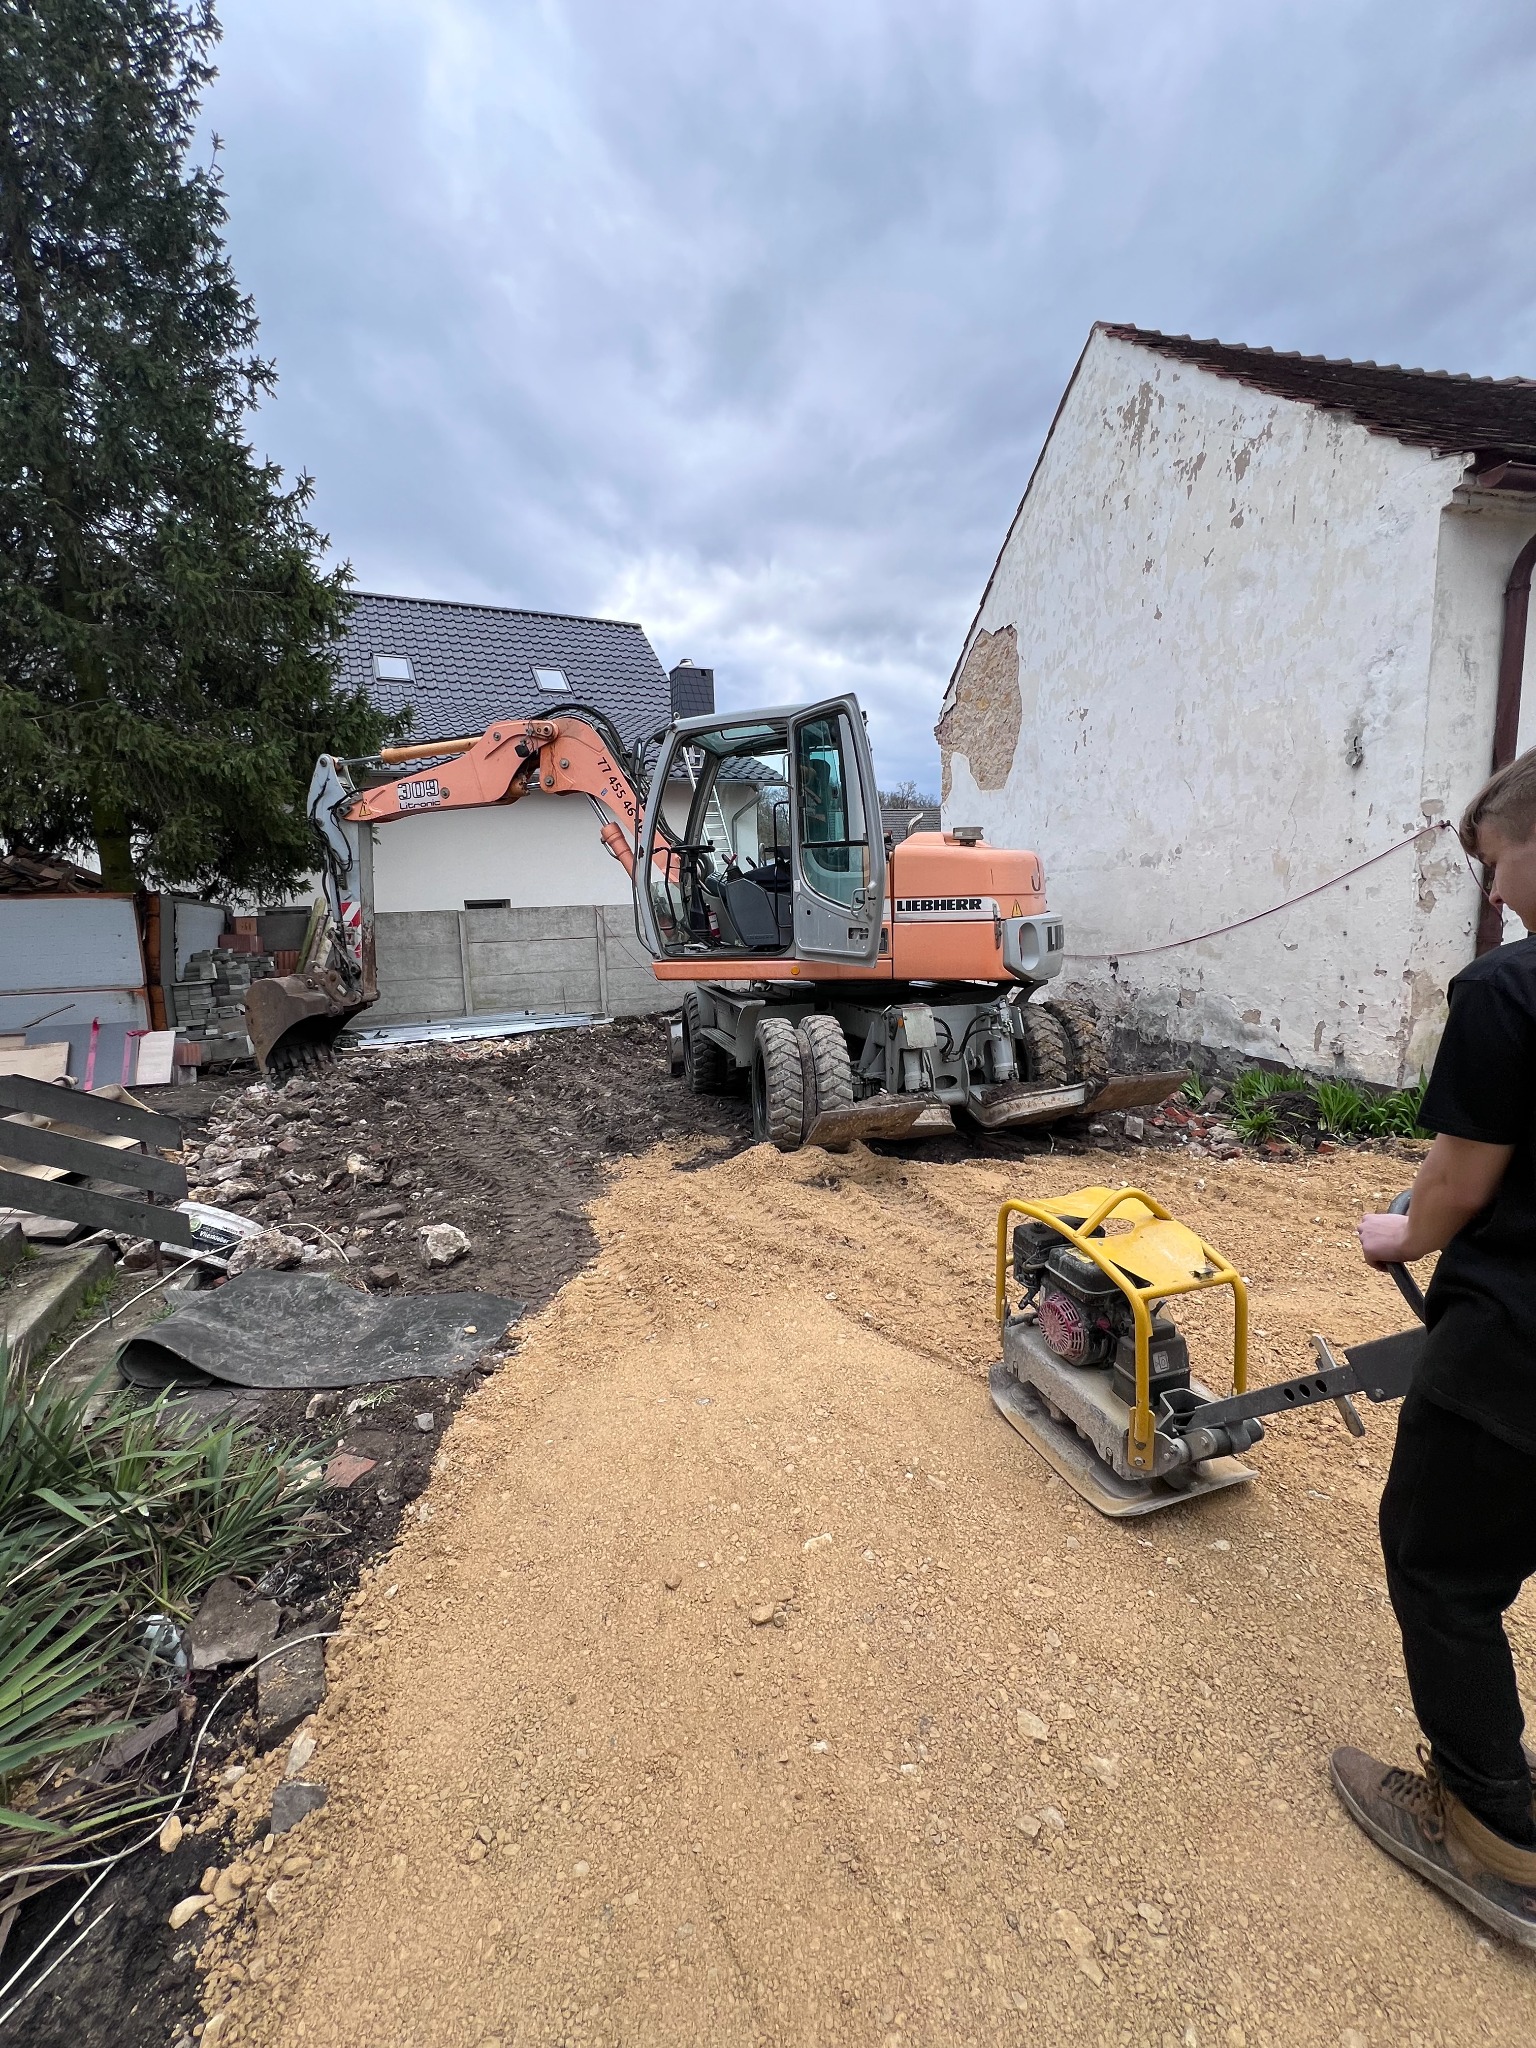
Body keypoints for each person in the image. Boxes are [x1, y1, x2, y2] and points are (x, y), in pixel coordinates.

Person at [1334, 747, 1536, 1946]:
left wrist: (1398, 1231)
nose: (1498, 891)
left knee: (1439, 1561)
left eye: (1499, 861)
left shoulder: (1509, 991)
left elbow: (1463, 1174)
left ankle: (1491, 1827)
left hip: (1516, 1343)